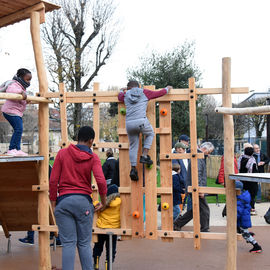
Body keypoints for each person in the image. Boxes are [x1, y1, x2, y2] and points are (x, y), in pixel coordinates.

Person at [49, 126, 107, 270]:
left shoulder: (62, 154)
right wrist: (103, 202)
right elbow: (101, 181)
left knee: (68, 243)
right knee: (83, 243)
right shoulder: (93, 157)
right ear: (91, 141)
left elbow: (53, 181)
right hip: (83, 203)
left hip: (64, 202)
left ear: (78, 138)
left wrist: (53, 203)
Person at [118, 80, 172, 181]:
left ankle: (133, 169)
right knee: (150, 133)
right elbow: (159, 93)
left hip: (129, 124)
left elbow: (119, 96)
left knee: (133, 145)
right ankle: (144, 155)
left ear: (129, 87)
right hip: (141, 121)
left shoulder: (125, 95)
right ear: (138, 86)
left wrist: (121, 90)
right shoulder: (144, 92)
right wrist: (167, 88)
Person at [174, 142, 214, 232]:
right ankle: (204, 228)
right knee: (204, 209)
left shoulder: (197, 156)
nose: (209, 154)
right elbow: (197, 174)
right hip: (196, 188)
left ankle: (178, 223)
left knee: (196, 210)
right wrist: (200, 190)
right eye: (209, 152)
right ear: (204, 149)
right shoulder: (198, 157)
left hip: (194, 187)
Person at [1, 68, 32, 156]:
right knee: (19, 129)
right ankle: (11, 149)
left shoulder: (22, 87)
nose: (29, 82)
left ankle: (17, 149)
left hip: (16, 112)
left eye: (30, 80)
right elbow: (11, 91)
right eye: (27, 79)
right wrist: (21, 92)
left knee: (19, 129)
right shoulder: (14, 84)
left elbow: (19, 100)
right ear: (21, 78)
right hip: (10, 111)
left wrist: (26, 100)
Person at [93, 184, 121, 270]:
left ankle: (96, 262)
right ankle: (108, 266)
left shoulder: (103, 203)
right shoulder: (120, 202)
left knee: (98, 246)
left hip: (101, 228)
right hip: (113, 228)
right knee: (111, 249)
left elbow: (95, 205)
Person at [236, 181, 262, 253]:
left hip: (242, 220)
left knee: (244, 234)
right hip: (245, 218)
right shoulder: (244, 195)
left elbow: (238, 211)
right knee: (239, 230)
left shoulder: (239, 199)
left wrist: (233, 218)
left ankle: (256, 246)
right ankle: (249, 234)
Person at [238, 146, 258, 215]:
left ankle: (243, 208)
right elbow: (254, 171)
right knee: (252, 195)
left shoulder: (241, 158)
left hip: (242, 179)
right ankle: (251, 208)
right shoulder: (252, 161)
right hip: (251, 180)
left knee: (243, 194)